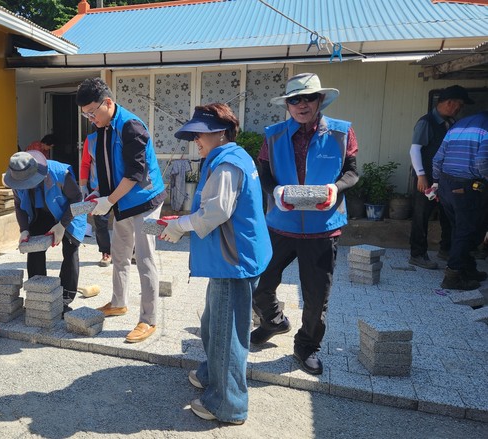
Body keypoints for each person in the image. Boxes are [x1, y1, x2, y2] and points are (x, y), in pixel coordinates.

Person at [160, 104, 271, 424]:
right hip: (234, 257)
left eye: (200, 133)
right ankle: (212, 373)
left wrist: (179, 225)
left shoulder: (226, 164)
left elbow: (216, 212)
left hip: (233, 261)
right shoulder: (235, 156)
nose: (196, 140)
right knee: (213, 323)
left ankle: (228, 404)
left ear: (221, 132)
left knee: (227, 334)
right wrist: (180, 223)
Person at [251, 73, 359, 376]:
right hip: (280, 224)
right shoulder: (273, 135)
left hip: (323, 227)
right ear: (287, 104)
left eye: (308, 97)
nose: (302, 104)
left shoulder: (341, 132)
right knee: (259, 285)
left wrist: (336, 188)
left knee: (315, 298)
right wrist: (274, 191)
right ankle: (273, 322)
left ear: (319, 99)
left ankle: (307, 346)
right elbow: (265, 173)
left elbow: (352, 172)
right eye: (294, 99)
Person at [76, 77, 166, 343]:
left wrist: (110, 200)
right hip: (122, 202)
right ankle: (118, 302)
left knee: (145, 258)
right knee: (119, 253)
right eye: (85, 115)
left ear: (108, 102)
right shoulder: (101, 129)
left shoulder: (131, 127)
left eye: (93, 112)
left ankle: (149, 319)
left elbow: (135, 174)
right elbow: (106, 170)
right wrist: (97, 194)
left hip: (146, 201)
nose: (91, 118)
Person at [5, 150, 87, 310]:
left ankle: (65, 297)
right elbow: (18, 205)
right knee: (34, 247)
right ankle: (38, 292)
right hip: (40, 213)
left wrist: (62, 225)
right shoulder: (16, 178)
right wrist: (24, 229)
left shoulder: (60, 173)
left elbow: (77, 199)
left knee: (70, 249)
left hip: (67, 212)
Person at [408, 85, 473, 269]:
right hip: (426, 178)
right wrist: (421, 175)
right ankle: (417, 254)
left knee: (447, 214)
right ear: (449, 103)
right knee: (421, 216)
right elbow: (415, 149)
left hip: (445, 179)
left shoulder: (451, 123)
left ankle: (446, 249)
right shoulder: (426, 122)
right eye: (460, 105)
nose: (460, 108)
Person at [432, 111, 488, 291]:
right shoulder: (486, 127)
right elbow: (482, 162)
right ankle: (453, 276)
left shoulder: (457, 126)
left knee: (459, 229)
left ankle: (468, 269)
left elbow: (437, 159)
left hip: (446, 185)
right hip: (467, 186)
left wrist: (436, 182)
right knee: (468, 231)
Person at [80, 131, 112, 267]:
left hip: (121, 186)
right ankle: (106, 252)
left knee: (126, 221)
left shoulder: (119, 134)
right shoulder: (91, 140)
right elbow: (85, 164)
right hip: (98, 190)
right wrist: (83, 186)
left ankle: (132, 251)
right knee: (101, 223)